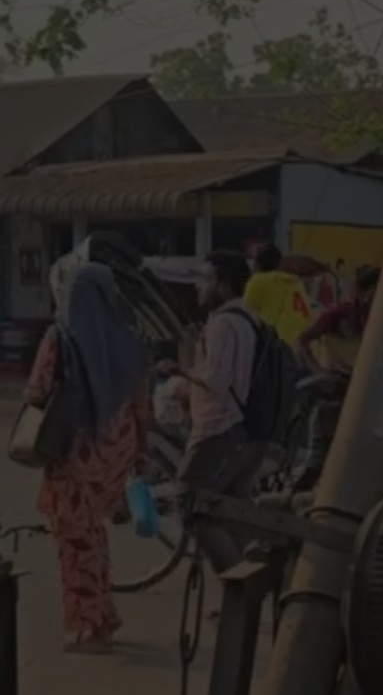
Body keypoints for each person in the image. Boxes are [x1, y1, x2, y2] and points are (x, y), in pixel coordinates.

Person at [25, 264, 150, 653]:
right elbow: (143, 406)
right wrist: (140, 453)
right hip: (115, 455)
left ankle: (86, 626)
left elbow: (36, 391)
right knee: (93, 533)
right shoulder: (127, 340)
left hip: (74, 454)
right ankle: (104, 614)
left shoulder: (60, 337)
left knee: (75, 541)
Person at [158, 251, 262, 575]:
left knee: (189, 503)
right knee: (233, 516)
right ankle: (245, 597)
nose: (197, 287)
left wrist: (180, 371)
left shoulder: (221, 324)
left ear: (223, 284)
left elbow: (217, 380)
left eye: (205, 279)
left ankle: (237, 585)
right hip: (243, 429)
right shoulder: (248, 319)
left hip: (219, 430)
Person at [298, 266, 380, 374]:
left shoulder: (381, 319)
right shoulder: (340, 314)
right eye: (372, 297)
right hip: (337, 380)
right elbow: (303, 340)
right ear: (360, 292)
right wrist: (317, 369)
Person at [243, 243, 312, 350]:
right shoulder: (295, 282)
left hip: (277, 345)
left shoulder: (258, 280)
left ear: (257, 263)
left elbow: (245, 315)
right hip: (303, 343)